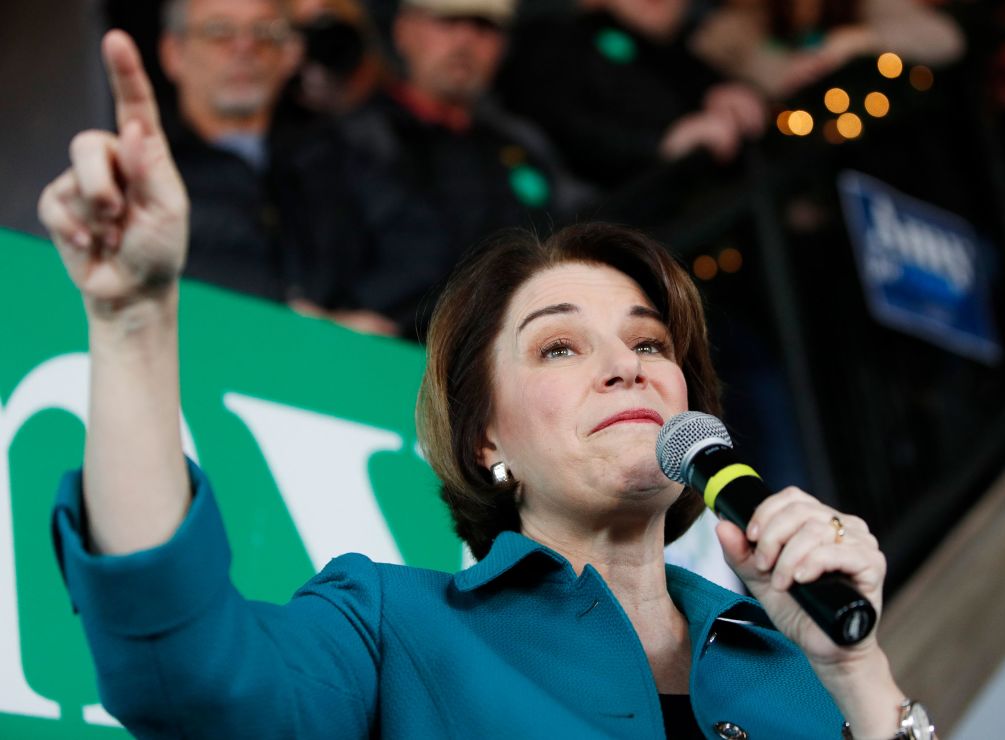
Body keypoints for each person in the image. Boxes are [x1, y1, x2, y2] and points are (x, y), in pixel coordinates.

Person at [38, 30, 934, 739]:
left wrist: (855, 672)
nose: (626, 365)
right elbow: (190, 675)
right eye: (558, 349)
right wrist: (134, 322)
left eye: (651, 344)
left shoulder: (787, 660)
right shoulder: (392, 628)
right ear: (484, 440)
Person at [158, 0, 449, 336]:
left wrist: (348, 317)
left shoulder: (339, 154)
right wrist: (282, 319)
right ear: (173, 53)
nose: (245, 47)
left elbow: (423, 250)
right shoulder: (142, 168)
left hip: (330, 369)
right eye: (219, 31)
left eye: (265, 33)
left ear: (290, 54)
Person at [341, 0, 591, 265]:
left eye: (483, 26)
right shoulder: (352, 144)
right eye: (447, 21)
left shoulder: (523, 143)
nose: (464, 41)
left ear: (504, 45)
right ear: (403, 30)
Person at [496, 0, 767, 190]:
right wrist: (659, 145)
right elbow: (567, 130)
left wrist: (718, 89)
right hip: (626, 216)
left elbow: (680, 68)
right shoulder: (548, 40)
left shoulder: (639, 38)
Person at [690, 0, 965, 100]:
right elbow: (704, 51)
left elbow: (946, 40)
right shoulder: (741, 21)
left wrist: (858, 38)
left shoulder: (861, 5)